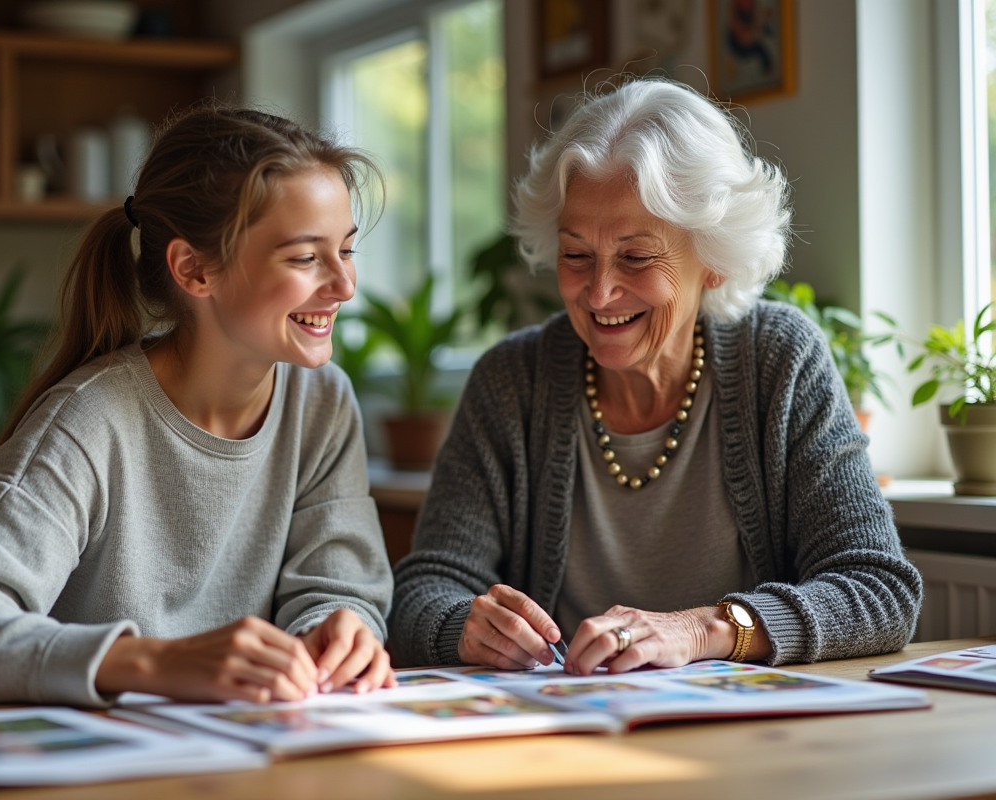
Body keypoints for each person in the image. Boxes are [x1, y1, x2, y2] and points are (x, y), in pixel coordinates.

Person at [390, 79, 921, 674]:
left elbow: (879, 588)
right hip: (562, 733)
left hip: (750, 737)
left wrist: (704, 629)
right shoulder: (512, 380)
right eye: (576, 255)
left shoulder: (778, 360)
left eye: (637, 257)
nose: (599, 292)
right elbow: (422, 593)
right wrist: (463, 626)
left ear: (714, 262)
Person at [0, 104, 396, 707]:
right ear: (194, 269)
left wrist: (338, 628)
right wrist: (150, 661)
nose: (344, 285)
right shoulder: (90, 421)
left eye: (348, 250)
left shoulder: (322, 402)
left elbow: (341, 589)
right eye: (306, 257)